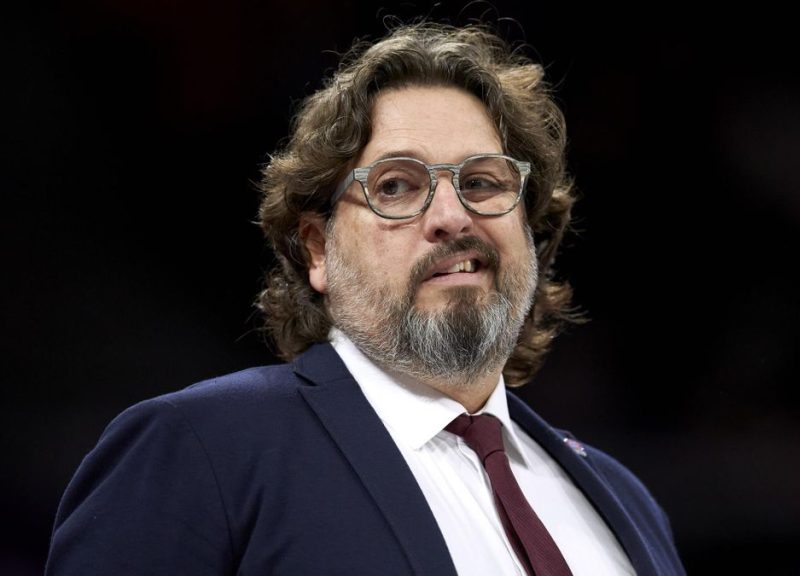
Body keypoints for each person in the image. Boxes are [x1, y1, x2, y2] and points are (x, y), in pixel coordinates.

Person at [45, 22, 687, 575]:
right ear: (318, 251)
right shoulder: (202, 449)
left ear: (530, 230)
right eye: (396, 186)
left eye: (482, 182)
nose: (452, 216)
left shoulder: (623, 498)